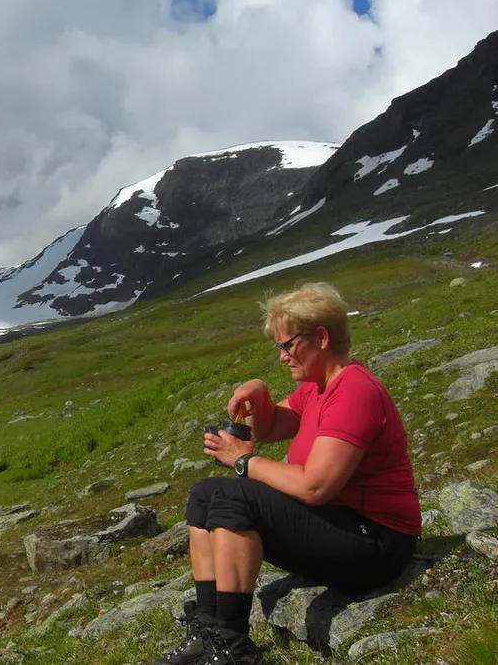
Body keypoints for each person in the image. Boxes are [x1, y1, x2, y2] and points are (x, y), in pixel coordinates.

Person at [155, 282, 421, 665]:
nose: (282, 357)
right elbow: (273, 426)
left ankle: (231, 646)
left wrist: (243, 461)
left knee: (234, 496)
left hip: (379, 544)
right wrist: (260, 398)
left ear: (321, 338)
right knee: (205, 493)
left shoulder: (354, 391)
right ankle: (210, 631)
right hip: (342, 526)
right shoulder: (318, 387)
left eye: (286, 345)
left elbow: (315, 487)